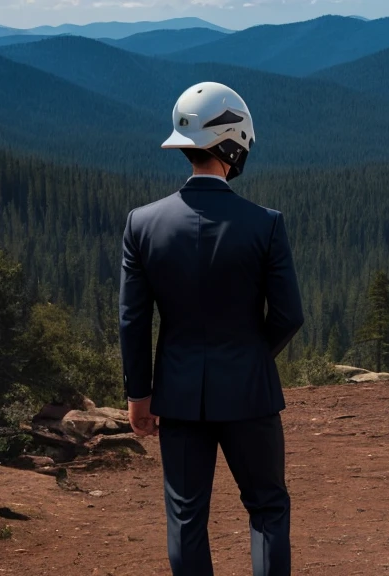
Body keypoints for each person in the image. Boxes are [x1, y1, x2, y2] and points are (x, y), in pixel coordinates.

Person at [119, 82, 304, 576]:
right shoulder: (265, 224)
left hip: (177, 398)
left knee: (185, 517)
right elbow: (289, 315)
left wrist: (140, 395)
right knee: (266, 508)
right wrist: (251, 358)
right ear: (231, 142)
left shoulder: (142, 224)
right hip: (250, 393)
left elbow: (133, 321)